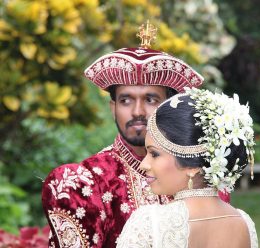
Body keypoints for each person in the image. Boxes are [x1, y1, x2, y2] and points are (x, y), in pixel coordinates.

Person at [41, 21, 212, 247]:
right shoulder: (88, 183)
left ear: (170, 106)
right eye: (126, 100)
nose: (138, 112)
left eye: (150, 99)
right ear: (113, 108)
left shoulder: (198, 174)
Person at [116, 87, 258, 248]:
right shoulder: (243, 223)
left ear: (193, 166)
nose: (144, 164)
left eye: (154, 154)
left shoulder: (150, 223)